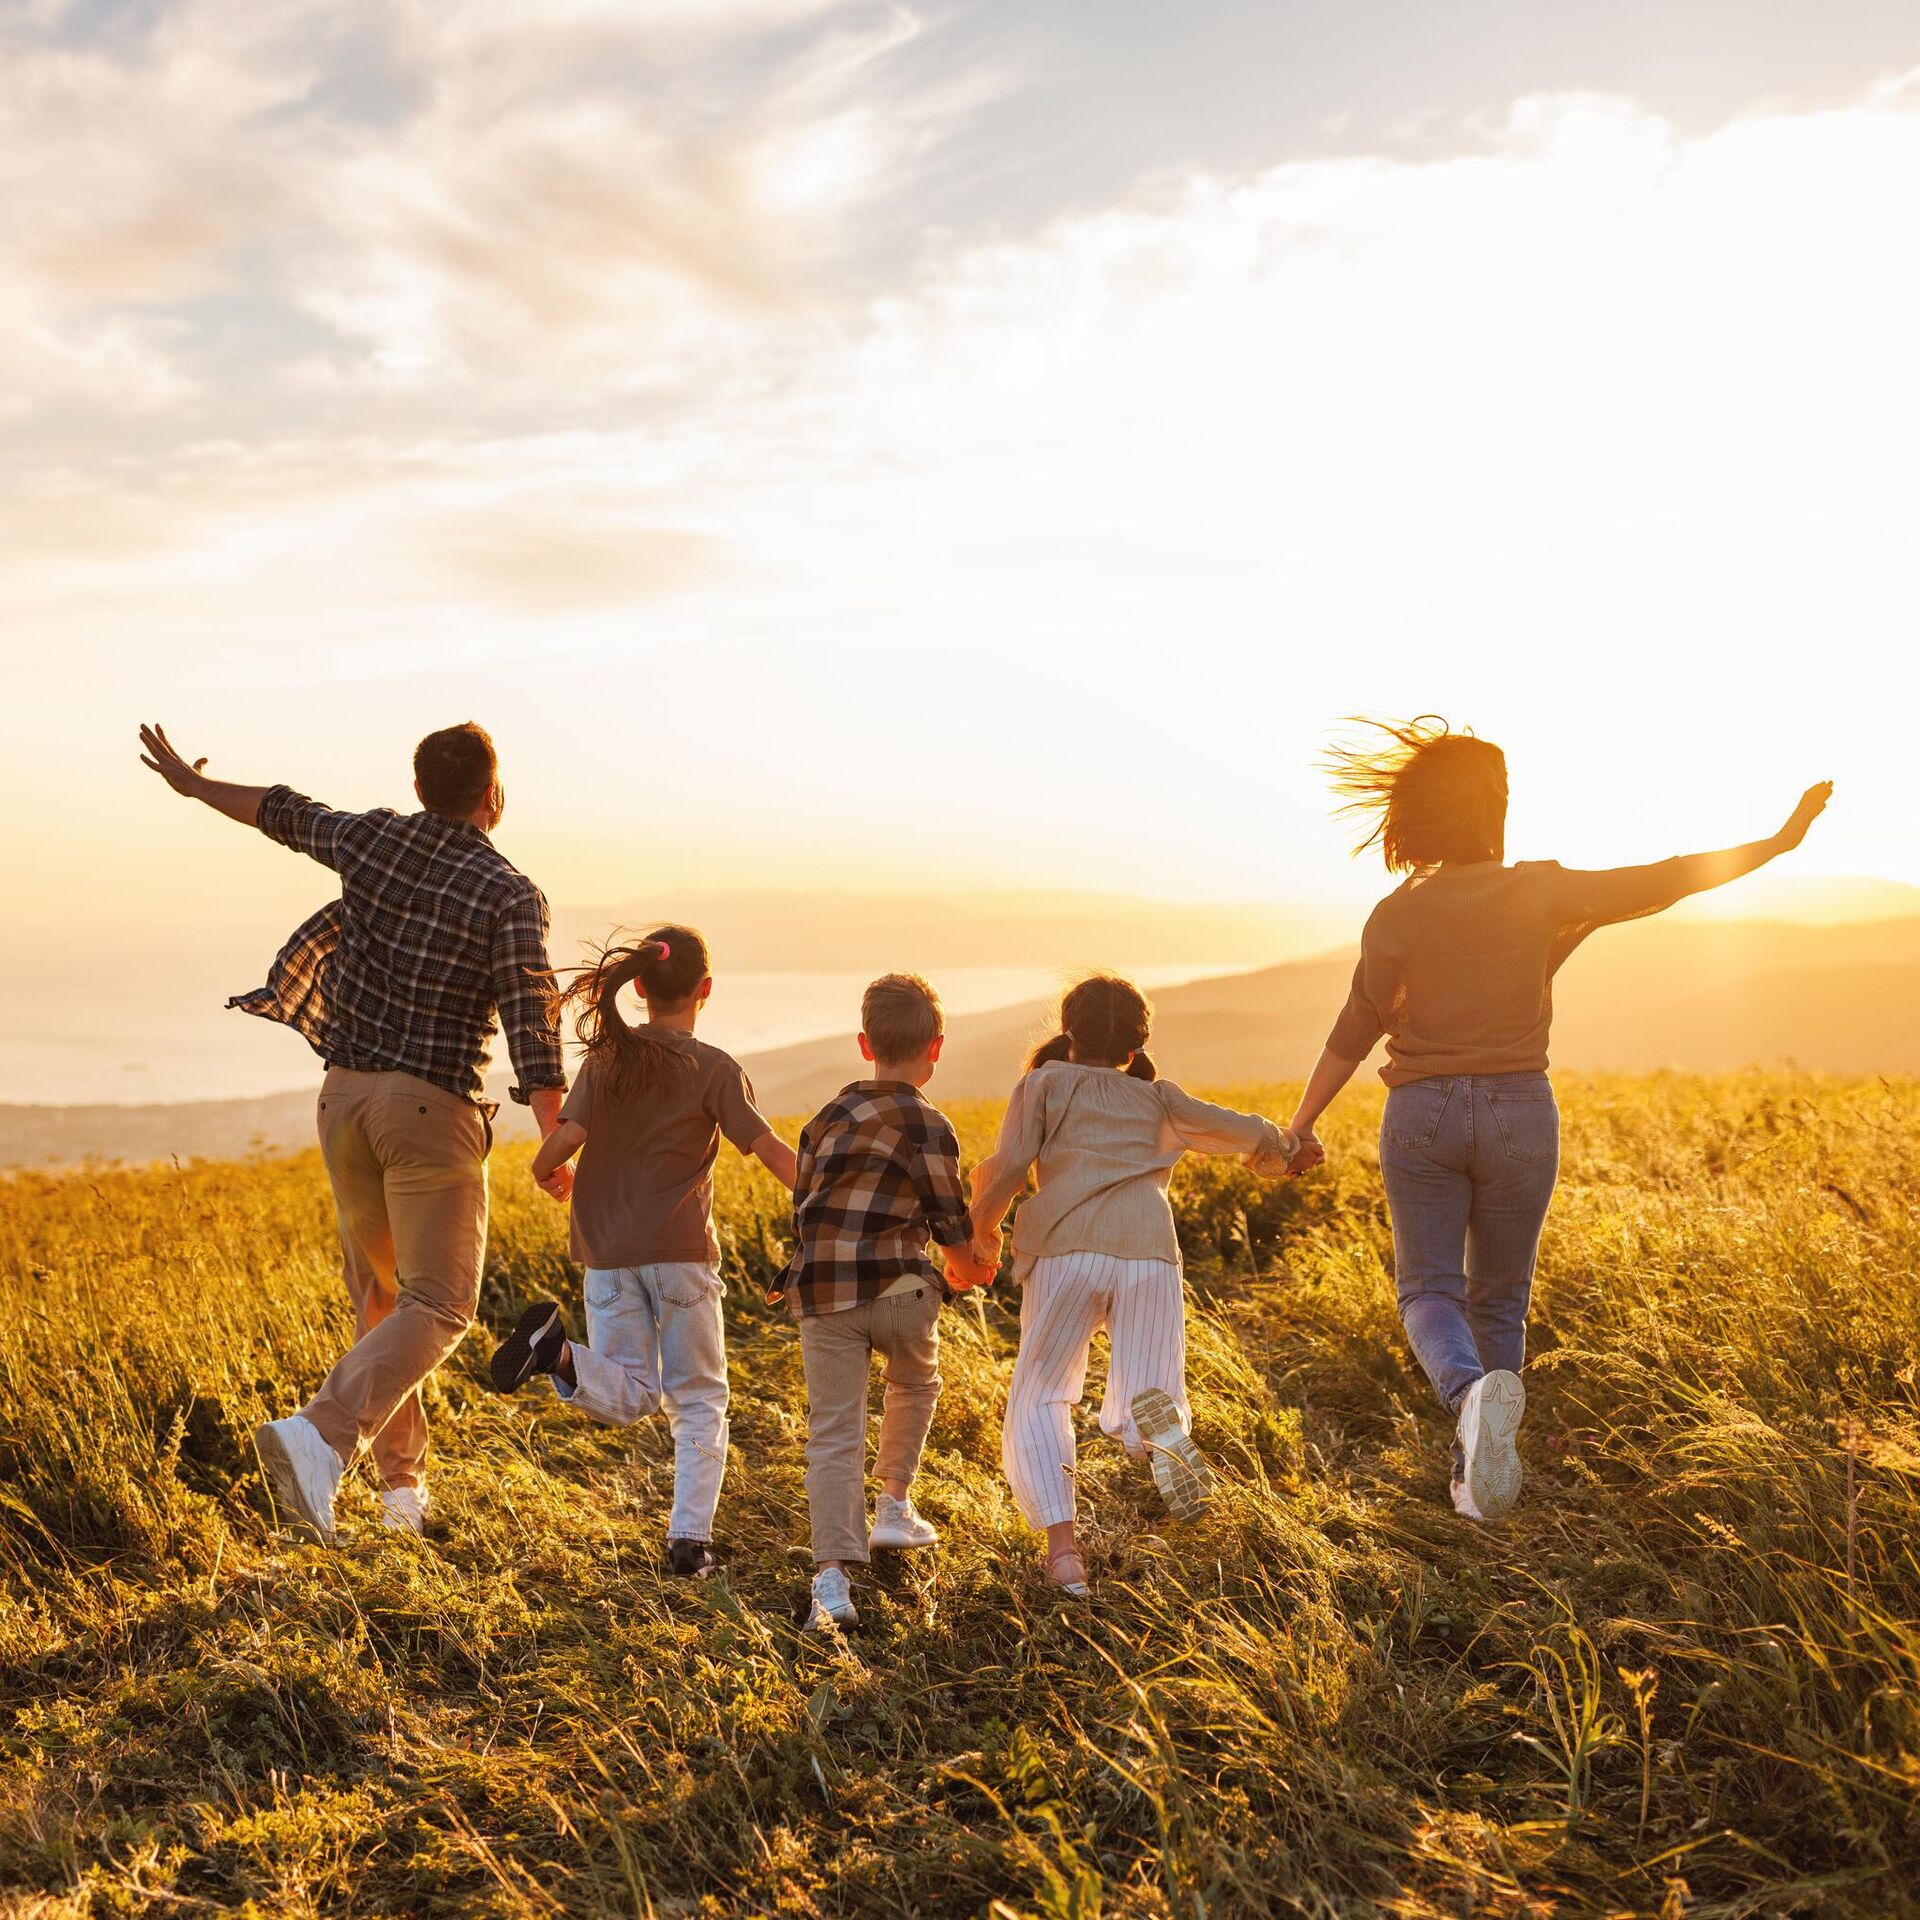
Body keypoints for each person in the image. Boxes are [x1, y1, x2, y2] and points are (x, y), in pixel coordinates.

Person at [1284, 717, 1832, 1521]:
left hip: (1422, 1114)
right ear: (1494, 809)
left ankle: (1470, 1404)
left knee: (1429, 1291)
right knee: (1500, 1299)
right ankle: (1481, 1480)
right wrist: (1779, 842)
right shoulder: (1542, 890)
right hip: (1519, 1110)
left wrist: (1298, 1128)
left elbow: (1352, 1030)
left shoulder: (1394, 915)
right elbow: (1670, 876)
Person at [137, 720, 567, 1544]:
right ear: (493, 796)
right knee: (439, 1305)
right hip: (426, 1114)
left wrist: (194, 789)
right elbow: (530, 1024)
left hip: (343, 1103)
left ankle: (401, 1493)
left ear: (418, 790)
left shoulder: (372, 839)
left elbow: (279, 810)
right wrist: (554, 1138)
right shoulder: (510, 893)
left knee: (381, 1301)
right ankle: (320, 1435)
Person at [968, 975, 1297, 1598]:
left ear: (1070, 1033)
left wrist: (975, 1236)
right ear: (1135, 1043)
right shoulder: (1159, 1098)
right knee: (1151, 1381)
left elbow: (1010, 1167)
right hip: (1148, 1252)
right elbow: (1239, 1129)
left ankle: (1064, 1554)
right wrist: (1286, 1150)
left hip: (1067, 1250)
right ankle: (1157, 1428)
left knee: (1042, 1391)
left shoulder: (1043, 1084)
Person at [488, 928, 797, 1577]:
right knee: (699, 1399)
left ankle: (559, 1355)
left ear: (642, 988)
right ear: (703, 990)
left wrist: (549, 1174)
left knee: (631, 1393)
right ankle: (689, 1545)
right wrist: (825, 1198)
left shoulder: (608, 1059)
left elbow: (561, 1141)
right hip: (679, 1252)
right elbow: (768, 1150)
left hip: (604, 1252)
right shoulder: (711, 1066)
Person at [777, 974, 996, 1632]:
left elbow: (803, 1212)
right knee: (914, 1380)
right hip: (901, 1287)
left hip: (823, 1293)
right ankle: (895, 1504)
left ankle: (832, 1579)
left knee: (834, 1435)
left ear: (864, 1043)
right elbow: (948, 1218)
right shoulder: (930, 1123)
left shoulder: (824, 1120)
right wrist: (967, 1269)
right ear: (936, 1047)